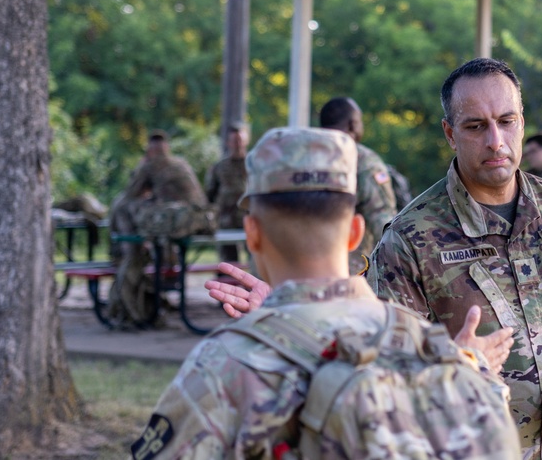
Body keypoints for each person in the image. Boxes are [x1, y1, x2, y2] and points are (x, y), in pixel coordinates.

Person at [134, 127, 520, 459]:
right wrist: (474, 370)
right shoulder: (433, 352)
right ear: (354, 233)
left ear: (252, 234)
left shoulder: (225, 365)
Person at [367, 58, 542, 460]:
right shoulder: (409, 240)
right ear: (450, 134)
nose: (495, 141)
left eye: (507, 121)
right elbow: (387, 376)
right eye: (475, 126)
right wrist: (453, 366)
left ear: (522, 123)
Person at [108, 130, 214, 327]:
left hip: (177, 222)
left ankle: (121, 254)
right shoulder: (181, 163)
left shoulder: (151, 165)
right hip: (201, 220)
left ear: (150, 150)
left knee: (121, 207)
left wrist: (141, 169)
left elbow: (131, 193)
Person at [318, 97, 397, 274]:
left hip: (303, 269)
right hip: (351, 272)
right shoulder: (363, 161)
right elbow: (382, 220)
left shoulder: (301, 158)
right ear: (353, 124)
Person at [204, 121, 250, 263]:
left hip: (249, 220)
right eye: (234, 140)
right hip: (226, 221)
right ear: (228, 143)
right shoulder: (220, 167)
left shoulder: (254, 164)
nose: (237, 144)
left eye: (240, 140)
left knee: (256, 261)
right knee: (228, 263)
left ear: (246, 141)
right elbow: (210, 194)